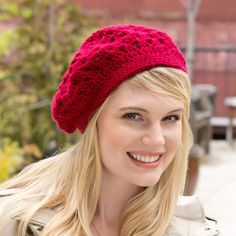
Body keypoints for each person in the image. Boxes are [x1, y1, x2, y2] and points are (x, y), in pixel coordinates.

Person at [0, 24, 219, 236]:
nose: (156, 139)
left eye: (171, 118)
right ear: (93, 120)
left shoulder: (195, 230)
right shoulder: (14, 223)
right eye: (133, 116)